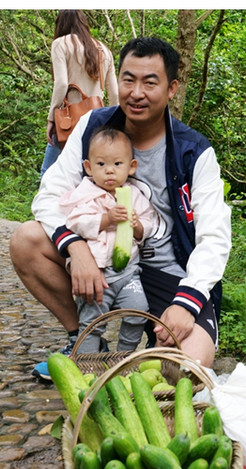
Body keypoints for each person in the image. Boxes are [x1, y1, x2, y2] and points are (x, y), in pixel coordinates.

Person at [10, 37, 231, 380]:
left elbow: (215, 238)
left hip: (168, 271)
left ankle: (136, 356)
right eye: (128, 79)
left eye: (150, 82)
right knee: (26, 239)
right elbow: (48, 195)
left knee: (188, 371)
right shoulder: (93, 126)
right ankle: (84, 340)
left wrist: (186, 303)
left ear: (172, 88)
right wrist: (75, 246)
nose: (136, 92)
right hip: (101, 257)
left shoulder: (194, 152)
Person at [58, 126, 156, 357]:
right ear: (88, 167)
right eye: (101, 165)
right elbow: (75, 222)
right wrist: (106, 219)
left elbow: (148, 224)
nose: (109, 171)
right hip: (98, 275)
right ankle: (86, 365)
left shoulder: (134, 195)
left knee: (138, 310)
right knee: (92, 323)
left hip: (128, 272)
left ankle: (122, 359)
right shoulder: (85, 193)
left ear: (131, 167)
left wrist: (137, 226)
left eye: (117, 164)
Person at [41, 10, 118, 179]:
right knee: (86, 175)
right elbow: (115, 93)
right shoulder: (103, 49)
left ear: (61, 24)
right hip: (97, 121)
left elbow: (61, 84)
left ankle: (46, 205)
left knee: (48, 173)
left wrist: (51, 118)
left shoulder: (60, 44)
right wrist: (113, 125)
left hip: (68, 121)